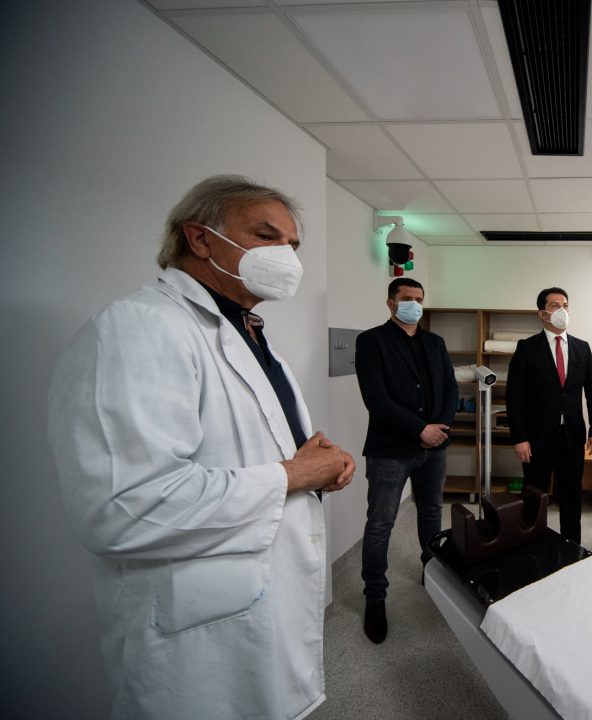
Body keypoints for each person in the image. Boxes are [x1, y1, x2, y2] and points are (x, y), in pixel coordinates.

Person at [47, 175, 356, 719]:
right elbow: (122, 509)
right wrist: (294, 475)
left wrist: (317, 465)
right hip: (195, 625)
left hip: (262, 591)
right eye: (266, 236)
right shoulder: (138, 327)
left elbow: (259, 450)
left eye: (292, 244)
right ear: (200, 238)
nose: (286, 256)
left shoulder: (247, 333)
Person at [356, 277, 458, 644]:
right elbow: (376, 398)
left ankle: (432, 572)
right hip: (390, 449)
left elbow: (450, 387)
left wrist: (440, 426)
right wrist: (420, 430)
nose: (413, 304)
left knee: (431, 512)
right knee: (381, 522)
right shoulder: (371, 341)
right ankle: (375, 597)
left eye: (418, 298)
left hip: (435, 447)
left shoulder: (435, 342)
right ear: (391, 303)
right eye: (406, 298)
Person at [506, 287, 592, 544]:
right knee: (534, 496)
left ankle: (571, 548)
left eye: (565, 305)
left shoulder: (582, 348)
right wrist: (519, 437)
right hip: (536, 439)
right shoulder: (527, 348)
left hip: (572, 436)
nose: (562, 310)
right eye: (555, 306)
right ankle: (533, 548)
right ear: (542, 314)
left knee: (571, 496)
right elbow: (514, 396)